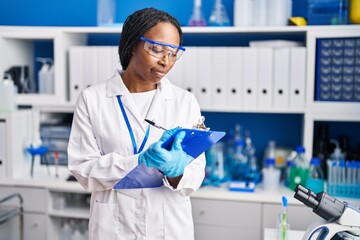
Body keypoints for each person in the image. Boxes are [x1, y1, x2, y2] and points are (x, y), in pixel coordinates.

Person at [67, 7, 206, 240]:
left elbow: (195, 174)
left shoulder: (184, 102)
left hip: (168, 229)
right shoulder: (93, 99)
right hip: (114, 229)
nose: (166, 61)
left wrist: (176, 171)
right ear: (132, 44)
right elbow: (83, 169)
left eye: (173, 53)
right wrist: (137, 162)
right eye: (157, 50)